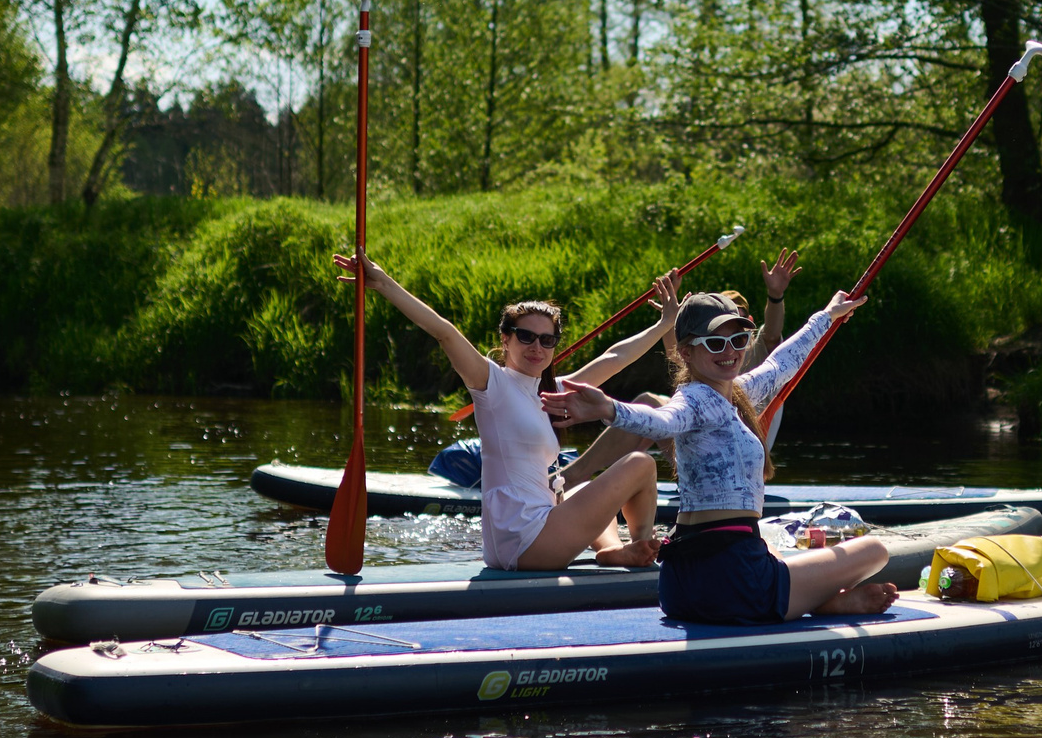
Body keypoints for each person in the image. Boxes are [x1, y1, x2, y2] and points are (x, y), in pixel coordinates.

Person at [539, 287, 898, 625]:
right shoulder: (694, 400)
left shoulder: (734, 392)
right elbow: (662, 421)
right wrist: (610, 409)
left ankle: (816, 599)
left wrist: (828, 315)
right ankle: (824, 602)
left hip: (681, 587)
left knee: (772, 553)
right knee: (874, 551)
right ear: (686, 352)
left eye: (739, 339)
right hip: (734, 581)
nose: (730, 351)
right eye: (715, 342)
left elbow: (781, 365)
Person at [336, 257, 680, 571]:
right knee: (641, 463)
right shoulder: (492, 383)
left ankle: (615, 550)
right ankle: (642, 548)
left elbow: (615, 358)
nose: (537, 347)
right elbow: (444, 331)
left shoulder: (551, 390)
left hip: (522, 536)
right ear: (506, 339)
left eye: (547, 340)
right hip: (529, 538)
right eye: (527, 336)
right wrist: (383, 284)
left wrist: (666, 323)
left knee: (576, 487)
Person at [562, 247, 803, 486]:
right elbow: (677, 357)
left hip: (743, 458)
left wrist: (775, 295)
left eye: (736, 327)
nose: (727, 338)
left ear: (748, 324)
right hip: (704, 443)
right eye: (717, 325)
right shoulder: (702, 352)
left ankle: (575, 476)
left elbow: (773, 333)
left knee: (650, 406)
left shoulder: (758, 347)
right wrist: (672, 319)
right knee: (650, 403)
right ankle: (591, 479)